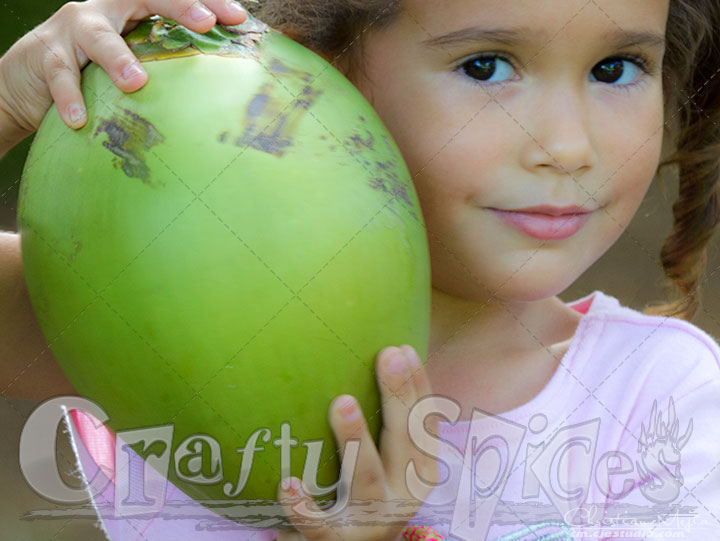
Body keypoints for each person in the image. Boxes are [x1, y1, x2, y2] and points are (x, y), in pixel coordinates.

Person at [1, 0, 720, 539]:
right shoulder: (150, 320)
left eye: (616, 68)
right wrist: (8, 103)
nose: (567, 145)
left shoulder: (664, 401)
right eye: (485, 65)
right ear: (324, 68)